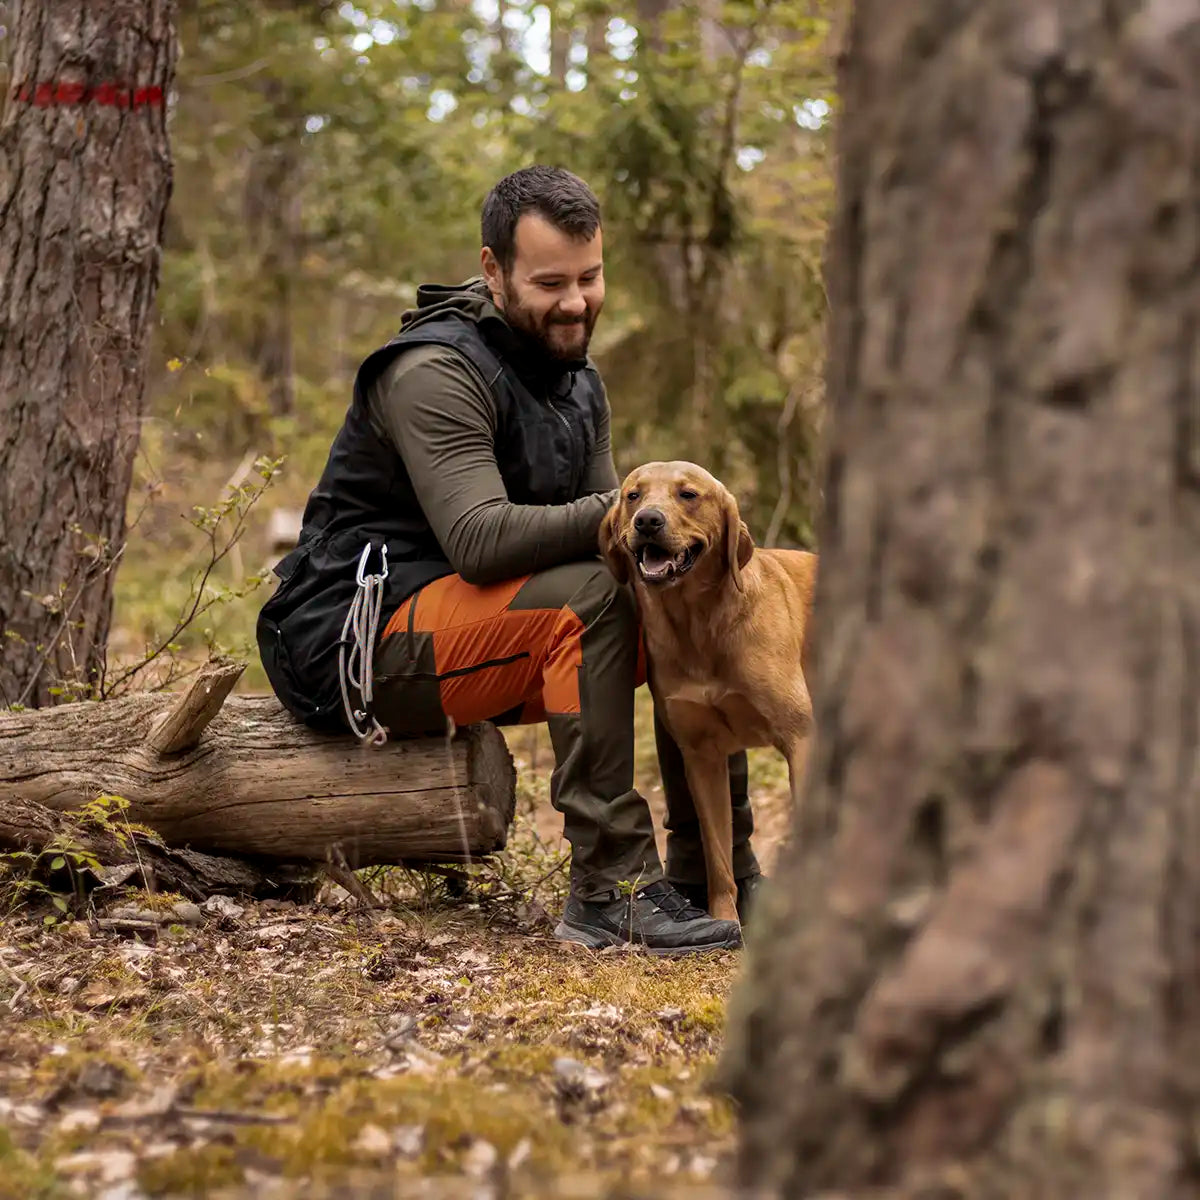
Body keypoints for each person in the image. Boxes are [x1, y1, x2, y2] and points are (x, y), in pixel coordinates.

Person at [256, 165, 763, 954]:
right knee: (593, 599)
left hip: (467, 620)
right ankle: (612, 887)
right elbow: (482, 540)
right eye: (550, 282)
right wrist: (644, 509)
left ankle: (716, 871)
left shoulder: (574, 373)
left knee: (671, 585)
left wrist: (665, 533)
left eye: (590, 278)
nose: (575, 302)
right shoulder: (432, 372)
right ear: (493, 271)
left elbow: (620, 548)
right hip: (360, 640)